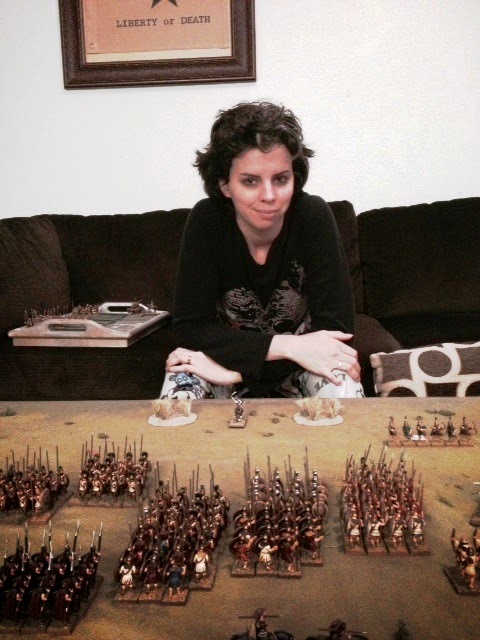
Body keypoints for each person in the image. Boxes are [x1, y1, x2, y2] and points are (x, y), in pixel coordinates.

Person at [160, 101, 363, 400]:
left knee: (342, 381)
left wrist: (241, 374)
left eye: (280, 179)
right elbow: (192, 329)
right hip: (224, 362)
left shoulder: (312, 215)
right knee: (180, 385)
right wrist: (288, 346)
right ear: (225, 185)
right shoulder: (207, 220)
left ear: (294, 178)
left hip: (297, 366)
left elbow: (337, 333)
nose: (269, 196)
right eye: (250, 181)